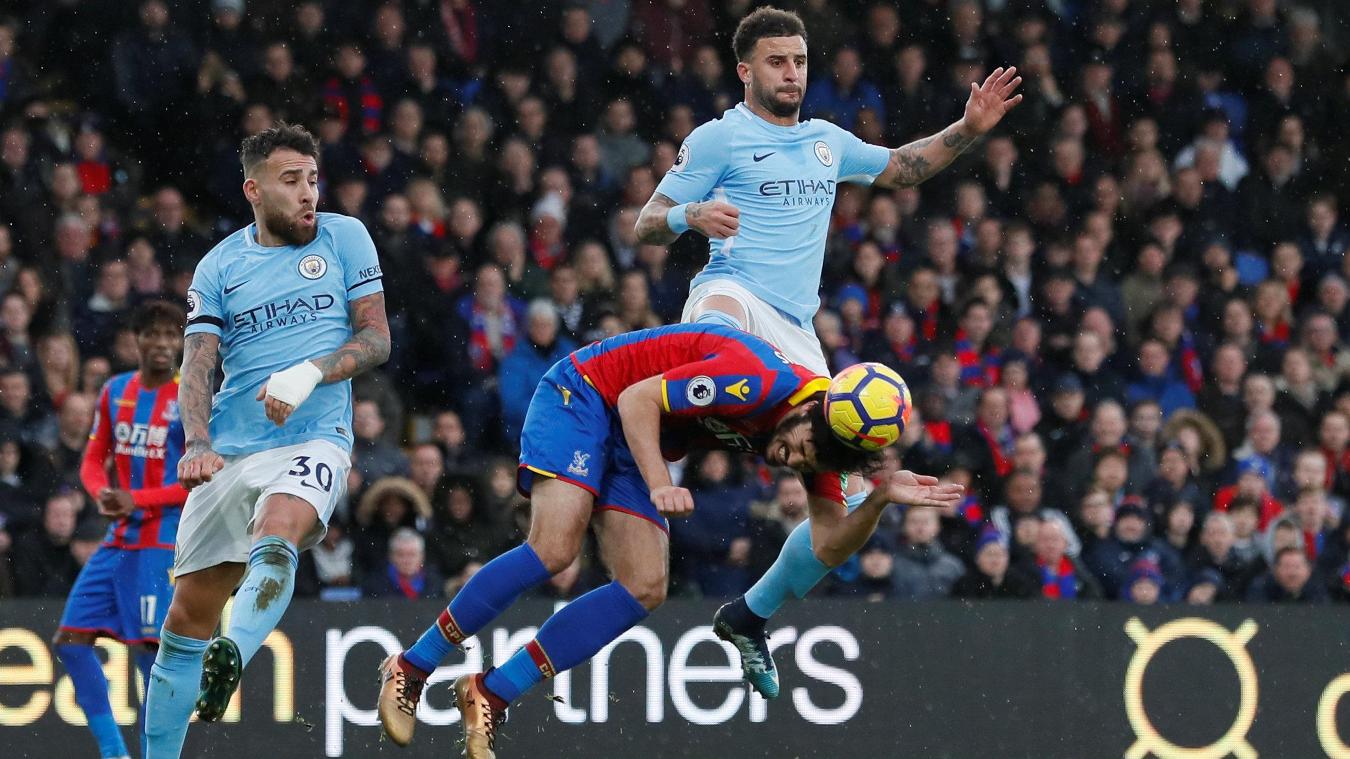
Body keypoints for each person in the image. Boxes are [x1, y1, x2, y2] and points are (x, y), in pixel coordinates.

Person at [633, 5, 1021, 699]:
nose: (792, 73)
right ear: (746, 70)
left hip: (798, 330)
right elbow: (644, 225)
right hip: (732, 291)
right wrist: (691, 215)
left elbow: (902, 168)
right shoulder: (719, 139)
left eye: (800, 61)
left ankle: (749, 616)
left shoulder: (825, 141)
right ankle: (666, 428)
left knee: (840, 520)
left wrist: (966, 130)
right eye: (777, 62)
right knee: (718, 334)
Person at [374, 323, 962, 756]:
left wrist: (879, 498)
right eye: (801, 446)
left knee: (645, 588)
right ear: (816, 409)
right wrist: (660, 483)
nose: (792, 459)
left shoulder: (824, 441)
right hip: (585, 394)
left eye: (809, 462)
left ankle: (490, 692)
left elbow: (830, 543)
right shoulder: (755, 383)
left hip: (636, 441)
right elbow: (636, 398)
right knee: (555, 549)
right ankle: (412, 665)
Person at [143, 122, 390, 757]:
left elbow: (376, 338)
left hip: (315, 436)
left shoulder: (345, 237)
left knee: (278, 529)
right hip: (230, 447)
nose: (308, 194)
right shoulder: (221, 264)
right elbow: (198, 360)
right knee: (182, 624)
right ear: (253, 189)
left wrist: (310, 371)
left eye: (313, 180)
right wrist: (196, 442)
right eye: (291, 182)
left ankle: (236, 650)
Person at [53, 300, 186, 759]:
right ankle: (114, 752)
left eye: (172, 334)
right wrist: (101, 494)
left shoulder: (190, 397)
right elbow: (93, 459)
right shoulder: (115, 391)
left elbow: (198, 479)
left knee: (152, 658)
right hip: (119, 539)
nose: (163, 343)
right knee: (71, 643)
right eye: (153, 334)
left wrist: (139, 499)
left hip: (161, 541)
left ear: (182, 342)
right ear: (137, 340)